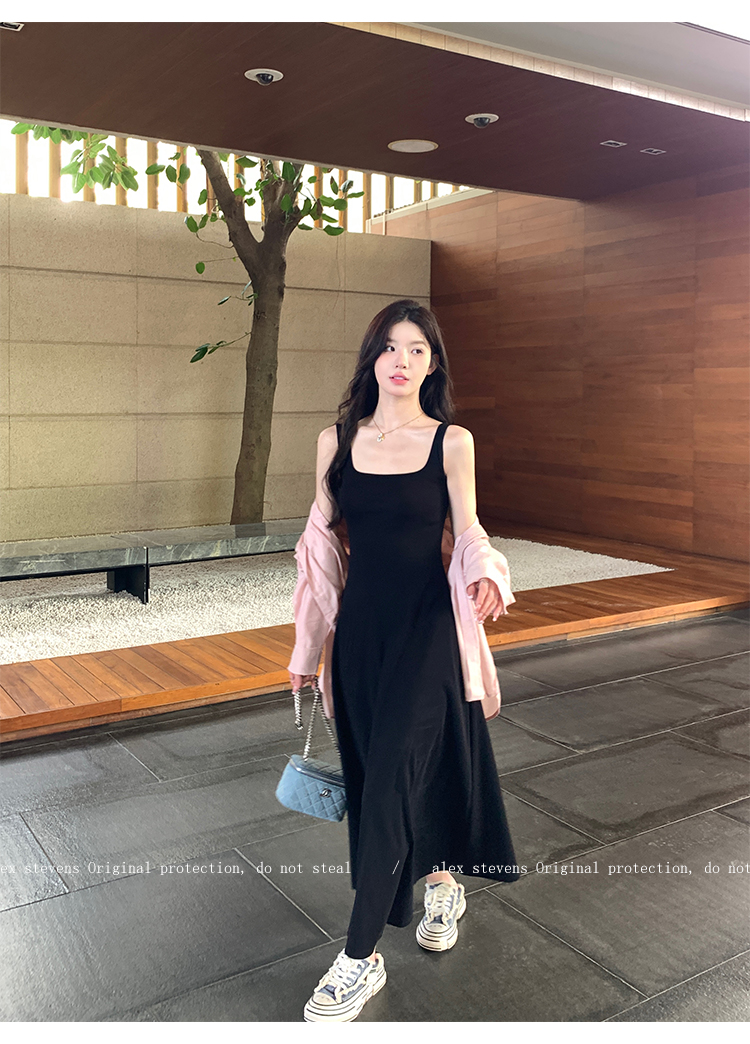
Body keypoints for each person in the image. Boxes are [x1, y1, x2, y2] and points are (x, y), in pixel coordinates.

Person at [287, 299, 521, 1022]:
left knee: (391, 778)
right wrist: (306, 649)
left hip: (427, 635)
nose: (402, 359)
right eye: (390, 346)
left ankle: (359, 958)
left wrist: (487, 573)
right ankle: (443, 881)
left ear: (432, 363)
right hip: (359, 641)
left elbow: (470, 530)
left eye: (417, 348)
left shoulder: (452, 442)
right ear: (373, 357)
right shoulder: (336, 442)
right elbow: (320, 553)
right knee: (379, 783)